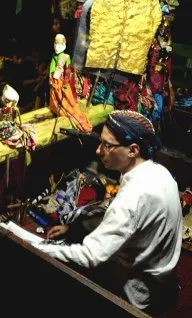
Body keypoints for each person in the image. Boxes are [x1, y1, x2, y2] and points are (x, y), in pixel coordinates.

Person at [33, 110, 182, 315]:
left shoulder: (132, 199)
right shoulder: (159, 172)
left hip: (135, 290)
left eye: (107, 145)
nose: (98, 151)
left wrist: (36, 247)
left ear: (133, 150)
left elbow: (89, 256)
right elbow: (127, 215)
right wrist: (72, 226)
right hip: (162, 272)